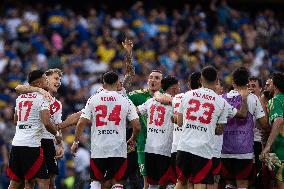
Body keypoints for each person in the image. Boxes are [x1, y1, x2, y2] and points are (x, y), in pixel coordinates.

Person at [71, 71, 141, 189]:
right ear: (117, 83)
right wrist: (133, 138)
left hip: (99, 147)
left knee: (97, 181)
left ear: (103, 84)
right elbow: (137, 125)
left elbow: (81, 122)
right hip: (119, 147)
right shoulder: (125, 100)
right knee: (118, 181)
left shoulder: (93, 99)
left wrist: (76, 142)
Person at [175, 66, 229, 189]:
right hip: (203, 150)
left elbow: (179, 122)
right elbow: (219, 131)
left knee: (182, 182)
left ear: (200, 80)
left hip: (184, 146)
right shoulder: (222, 103)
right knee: (200, 183)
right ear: (216, 81)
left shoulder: (187, 95)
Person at [7, 70, 62, 189]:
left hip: (16, 143)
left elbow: (15, 121)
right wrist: (57, 134)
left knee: (16, 182)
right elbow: (46, 122)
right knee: (44, 181)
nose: (47, 81)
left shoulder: (20, 98)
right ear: (39, 84)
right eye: (45, 79)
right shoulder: (43, 97)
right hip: (31, 145)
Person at [221, 67, 267, 189]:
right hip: (244, 151)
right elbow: (264, 124)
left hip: (225, 151)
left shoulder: (222, 98)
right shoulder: (253, 98)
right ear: (247, 82)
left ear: (233, 83)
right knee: (242, 185)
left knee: (229, 184)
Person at [137, 76, 179, 189]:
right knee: (170, 183)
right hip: (166, 150)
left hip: (149, 148)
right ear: (174, 89)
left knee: (152, 184)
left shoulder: (150, 102)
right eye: (178, 87)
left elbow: (136, 112)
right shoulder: (176, 104)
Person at [128, 70, 163, 189]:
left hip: (163, 145)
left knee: (163, 182)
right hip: (143, 144)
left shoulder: (167, 97)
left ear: (162, 83)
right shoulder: (137, 96)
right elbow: (121, 102)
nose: (153, 80)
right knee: (147, 183)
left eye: (157, 78)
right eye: (151, 77)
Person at [261, 73, 284, 189]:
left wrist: (267, 146)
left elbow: (278, 121)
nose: (267, 86)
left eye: (269, 83)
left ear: (275, 85)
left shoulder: (275, 100)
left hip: (281, 150)